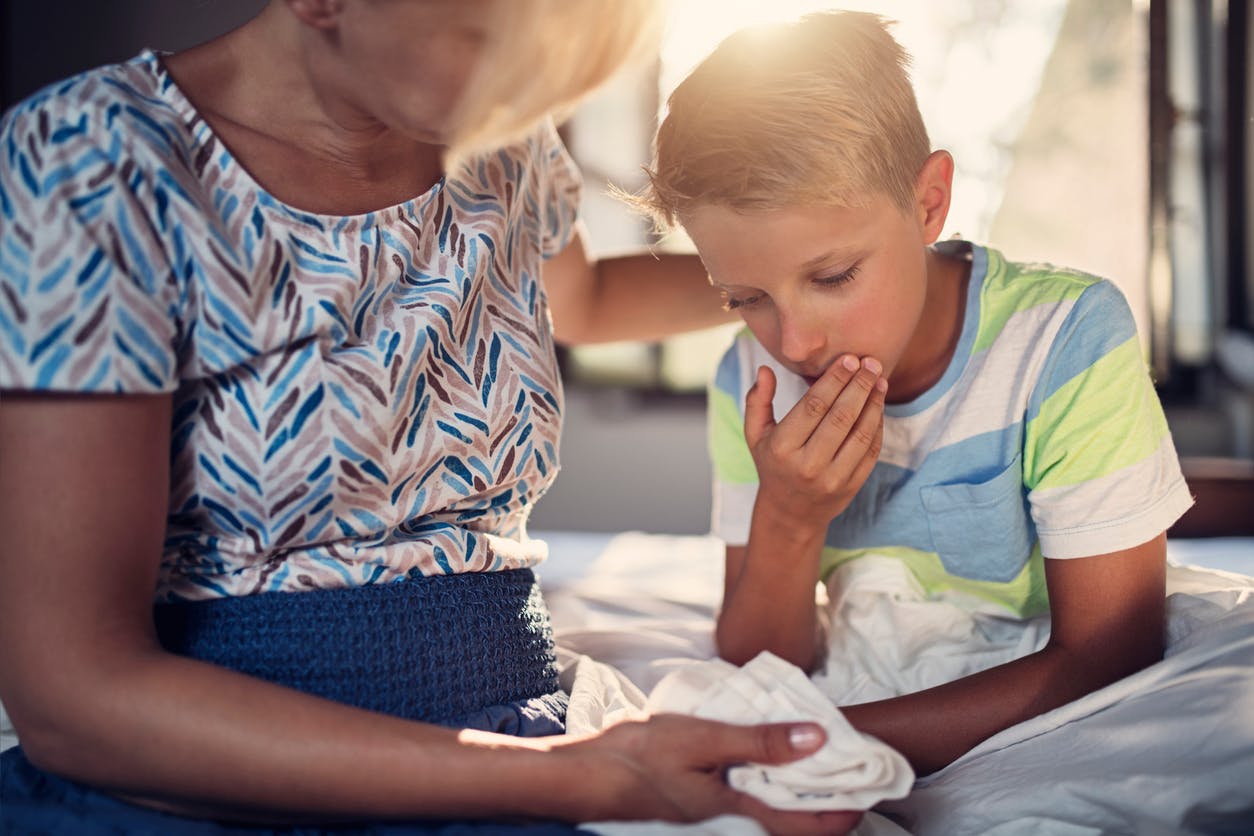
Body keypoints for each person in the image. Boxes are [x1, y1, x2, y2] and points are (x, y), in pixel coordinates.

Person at [0, 1, 865, 833]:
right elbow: (73, 698)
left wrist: (827, 275)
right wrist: (565, 778)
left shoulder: (500, 138)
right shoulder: (93, 160)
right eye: (493, 40)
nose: (542, 92)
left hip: (524, 721)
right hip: (230, 766)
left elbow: (588, 296)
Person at [633, 11, 1194, 777]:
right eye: (743, 298)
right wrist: (790, 517)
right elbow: (760, 657)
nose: (792, 343)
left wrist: (824, 743)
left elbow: (1111, 650)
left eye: (832, 278)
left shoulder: (1063, 338)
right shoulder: (748, 380)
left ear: (929, 202)